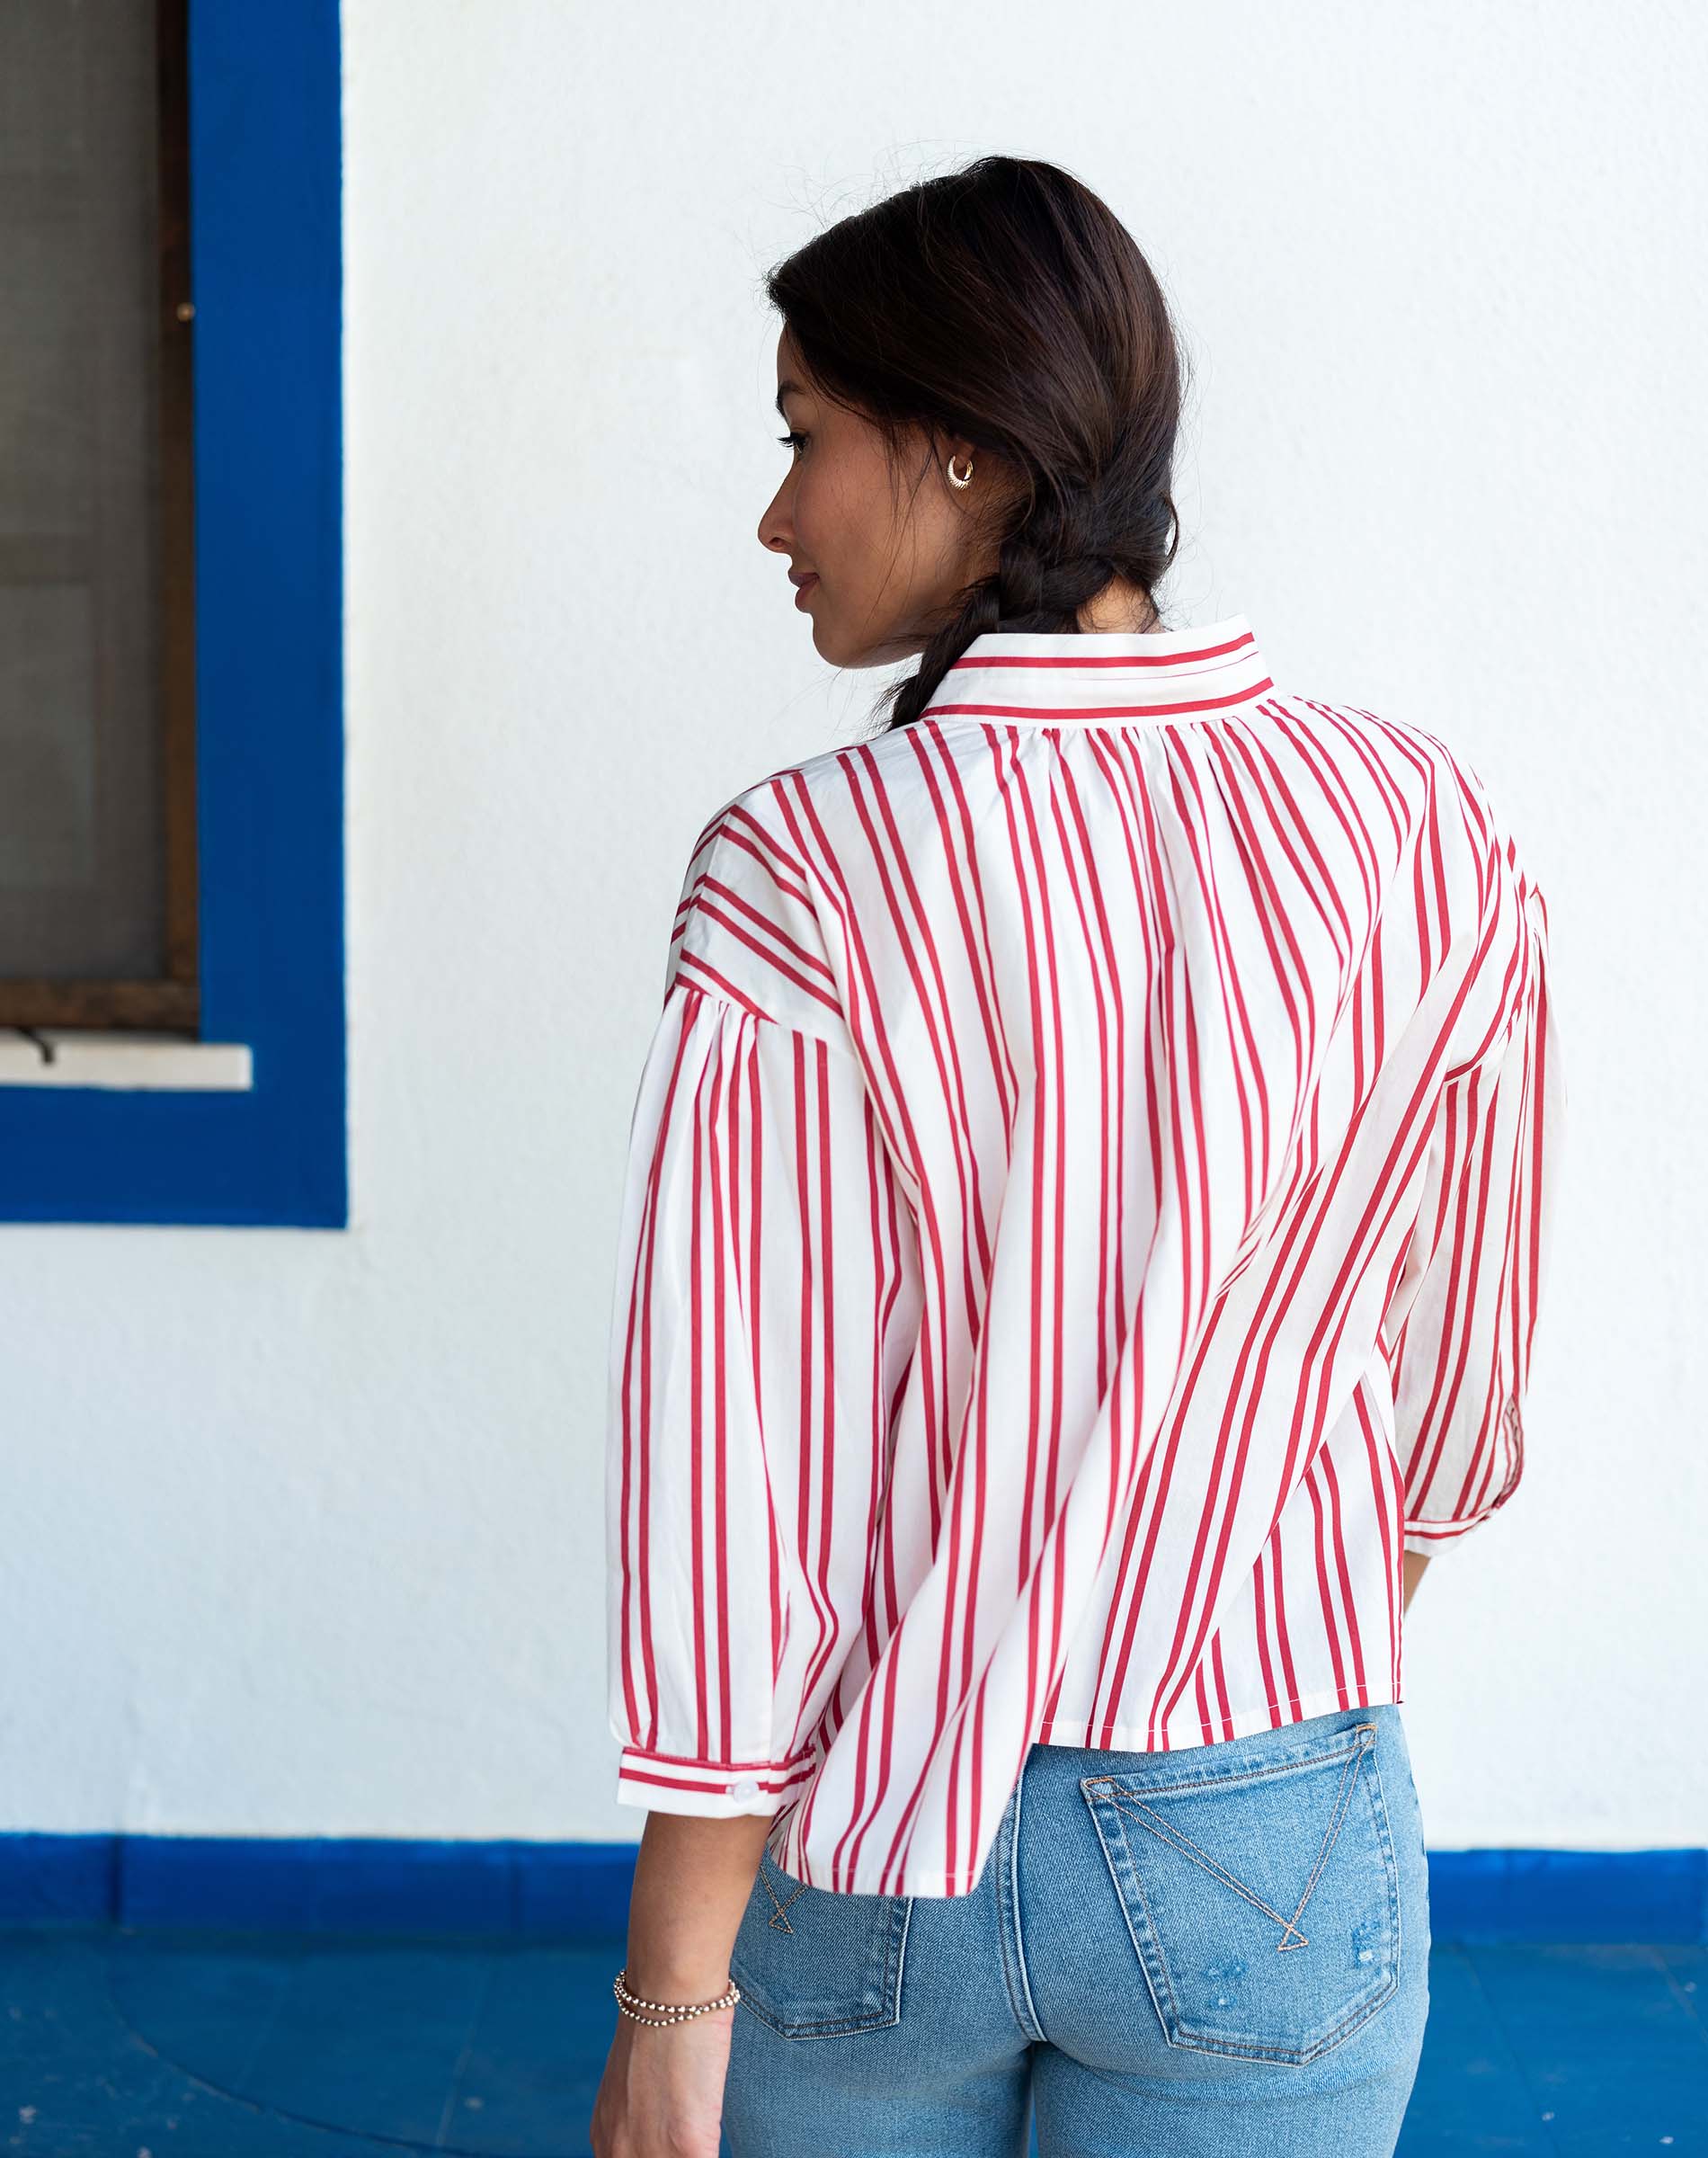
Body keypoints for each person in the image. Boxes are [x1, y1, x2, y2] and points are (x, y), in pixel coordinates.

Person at [591, 154, 1565, 2158]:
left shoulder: (802, 870)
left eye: (803, 441)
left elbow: (729, 1486)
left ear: (958, 449)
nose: (773, 517)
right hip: (1268, 1805)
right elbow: (1456, 1404)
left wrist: (668, 2000)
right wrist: (1242, 1639)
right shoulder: (1418, 830)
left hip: (887, 1839)